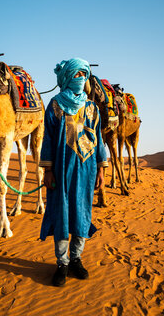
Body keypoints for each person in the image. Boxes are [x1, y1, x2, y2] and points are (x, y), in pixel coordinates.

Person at [39, 58, 108, 287]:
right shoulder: (55, 105)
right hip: (60, 171)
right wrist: (48, 170)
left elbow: (98, 140)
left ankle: (76, 258)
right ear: (67, 77)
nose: (80, 78)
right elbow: (47, 138)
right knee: (61, 214)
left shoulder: (92, 108)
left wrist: (101, 169)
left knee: (81, 214)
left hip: (86, 173)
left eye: (83, 74)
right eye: (76, 74)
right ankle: (62, 263)